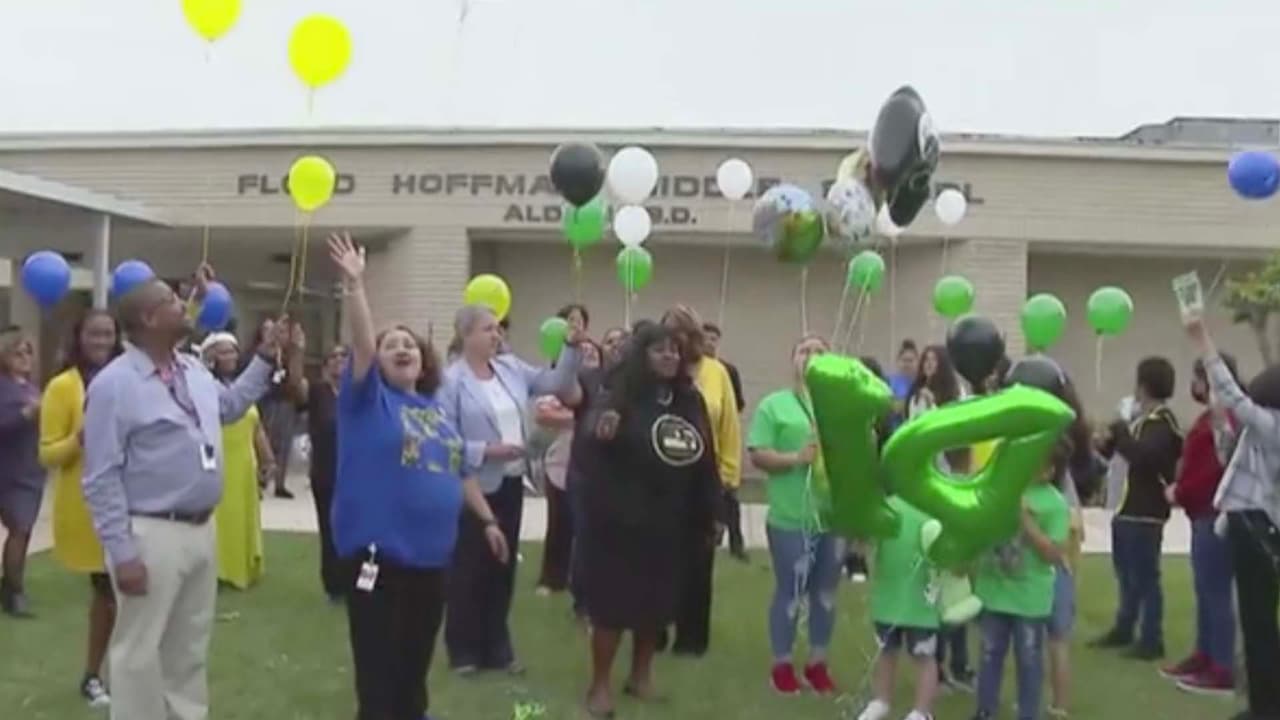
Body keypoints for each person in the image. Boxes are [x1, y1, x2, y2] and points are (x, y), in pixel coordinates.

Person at [82, 267, 283, 720]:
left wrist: (265, 357)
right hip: (150, 532)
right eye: (174, 302)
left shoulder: (191, 369)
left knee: (188, 646)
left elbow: (228, 407)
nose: (187, 306)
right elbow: (101, 476)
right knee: (139, 649)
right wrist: (122, 552)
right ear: (149, 319)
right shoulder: (115, 385)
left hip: (200, 527)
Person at [326, 232, 509, 720]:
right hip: (379, 561)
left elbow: (460, 472)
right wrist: (355, 285)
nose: (401, 348)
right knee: (379, 673)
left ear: (425, 359)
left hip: (431, 563)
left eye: (409, 344)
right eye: (391, 345)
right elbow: (362, 347)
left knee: (413, 669)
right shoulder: (367, 402)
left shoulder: (437, 413)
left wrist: (488, 521)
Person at [575, 320, 721, 717]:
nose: (670, 356)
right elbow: (589, 451)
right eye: (660, 350)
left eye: (674, 350)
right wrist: (601, 433)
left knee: (654, 606)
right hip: (620, 522)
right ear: (642, 355)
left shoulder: (688, 400)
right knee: (612, 607)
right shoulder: (619, 396)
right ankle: (599, 686)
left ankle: (641, 677)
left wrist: (712, 511)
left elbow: (705, 458)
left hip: (670, 521)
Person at [441, 303, 583, 675]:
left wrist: (570, 347)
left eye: (498, 328)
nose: (496, 335)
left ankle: (497, 646)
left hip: (511, 479)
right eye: (487, 329)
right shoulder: (451, 381)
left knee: (501, 567)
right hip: (474, 484)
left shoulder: (509, 369)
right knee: (469, 566)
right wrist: (487, 451)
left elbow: (554, 383)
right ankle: (463, 649)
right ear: (466, 335)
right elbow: (444, 441)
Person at [1185, 315, 1280, 720]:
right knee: (1257, 622)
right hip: (1252, 524)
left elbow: (1232, 395)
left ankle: (1266, 707)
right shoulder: (1262, 431)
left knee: (1259, 623)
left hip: (1256, 526)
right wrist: (1219, 418)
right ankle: (1262, 703)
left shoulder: (1272, 425)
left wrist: (1202, 340)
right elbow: (1230, 454)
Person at [748, 333, 842, 695]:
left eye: (820, 351)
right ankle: (782, 665)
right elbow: (758, 454)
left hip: (832, 519)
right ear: (793, 361)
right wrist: (795, 458)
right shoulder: (775, 406)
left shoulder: (840, 408)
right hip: (791, 519)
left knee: (825, 594)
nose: (812, 356)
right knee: (790, 593)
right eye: (805, 350)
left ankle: (818, 663)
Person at [39, 309, 123, 705]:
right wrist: (80, 439)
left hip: (131, 501)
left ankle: (126, 676)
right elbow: (47, 453)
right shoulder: (62, 387)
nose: (102, 341)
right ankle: (92, 676)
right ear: (79, 337)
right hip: (88, 508)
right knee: (107, 595)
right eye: (94, 333)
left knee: (133, 599)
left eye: (108, 333)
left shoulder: (126, 379)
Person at [659, 305, 742, 655]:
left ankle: (691, 640)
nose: (675, 342)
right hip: (662, 481)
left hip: (704, 481)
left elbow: (729, 427)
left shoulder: (716, 372)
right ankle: (654, 631)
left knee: (697, 561)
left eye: (681, 334)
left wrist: (728, 478)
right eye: (669, 335)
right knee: (659, 561)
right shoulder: (660, 372)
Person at [971, 440, 1072, 720]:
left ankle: (1028, 714)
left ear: (1049, 470)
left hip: (1030, 599)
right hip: (993, 592)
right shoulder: (1002, 489)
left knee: (1028, 659)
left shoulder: (1055, 504)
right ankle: (985, 711)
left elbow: (1054, 554)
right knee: (989, 654)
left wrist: (1027, 523)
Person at [1092, 356, 1181, 660]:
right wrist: (1106, 443)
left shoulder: (1162, 423)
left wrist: (1120, 433)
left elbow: (1144, 457)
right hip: (1125, 506)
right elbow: (1124, 454)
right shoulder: (1141, 421)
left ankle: (1152, 638)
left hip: (1146, 511)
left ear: (1143, 386)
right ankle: (1125, 626)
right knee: (1126, 575)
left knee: (1145, 577)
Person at [1160, 354, 1239, 696]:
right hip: (1200, 515)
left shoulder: (1225, 421)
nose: (1193, 386)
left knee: (1216, 592)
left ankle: (1222, 666)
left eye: (1197, 378)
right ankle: (1204, 654)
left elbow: (1212, 471)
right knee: (1205, 590)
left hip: (1213, 514)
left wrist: (1180, 491)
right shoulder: (1210, 418)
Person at [906, 344, 974, 690]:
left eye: (934, 361)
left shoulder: (956, 397)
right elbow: (916, 438)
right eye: (925, 361)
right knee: (934, 582)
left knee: (957, 583)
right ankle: (939, 663)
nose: (928, 366)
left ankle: (959, 663)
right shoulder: (919, 398)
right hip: (927, 493)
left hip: (952, 488)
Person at [200, 333, 276, 590]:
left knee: (241, 517)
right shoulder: (204, 387)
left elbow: (256, 426)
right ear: (210, 357)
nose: (230, 356)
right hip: (218, 462)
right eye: (223, 352)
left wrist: (268, 459)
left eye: (233, 351)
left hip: (243, 463)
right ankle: (219, 570)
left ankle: (241, 567)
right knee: (221, 518)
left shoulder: (241, 388)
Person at [857, 496, 941, 720]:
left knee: (923, 656)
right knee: (885, 652)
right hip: (888, 599)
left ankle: (922, 711)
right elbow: (865, 543)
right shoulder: (887, 506)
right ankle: (881, 700)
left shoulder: (934, 507)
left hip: (921, 603)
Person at [567, 327, 630, 620]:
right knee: (586, 537)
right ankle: (582, 601)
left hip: (620, 474)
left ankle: (611, 597)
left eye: (622, 342)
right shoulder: (588, 379)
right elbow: (568, 395)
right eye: (610, 341)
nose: (616, 346)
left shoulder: (634, 385)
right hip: (586, 472)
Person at [534, 339, 602, 597]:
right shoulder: (561, 389)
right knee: (559, 525)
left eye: (593, 352)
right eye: (583, 352)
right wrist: (583, 418)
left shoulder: (604, 389)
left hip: (594, 468)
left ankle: (584, 581)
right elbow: (543, 415)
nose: (588, 355)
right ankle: (551, 578)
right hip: (560, 465)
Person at [0, 328, 44, 618]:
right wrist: (26, 414)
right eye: (18, 352)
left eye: (28, 352)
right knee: (19, 530)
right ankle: (14, 593)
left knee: (22, 531)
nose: (25, 357)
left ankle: (11, 587)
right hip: (9, 470)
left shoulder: (31, 387)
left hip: (29, 469)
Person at [304, 343, 349, 602]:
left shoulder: (358, 392)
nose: (338, 360)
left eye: (344, 355)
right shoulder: (318, 392)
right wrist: (297, 350)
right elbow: (295, 386)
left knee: (353, 528)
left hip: (354, 472)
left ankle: (354, 580)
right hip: (325, 472)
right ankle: (334, 585)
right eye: (333, 356)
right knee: (330, 529)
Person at [703, 321, 748, 562]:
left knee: (730, 499)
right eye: (705, 338)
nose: (709, 343)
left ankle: (736, 544)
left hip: (723, 440)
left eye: (713, 339)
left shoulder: (727, 370)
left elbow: (737, 404)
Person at [253, 317, 298, 499]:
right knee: (264, 441)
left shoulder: (287, 355)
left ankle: (280, 483)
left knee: (284, 443)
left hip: (284, 400)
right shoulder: (259, 353)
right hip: (265, 401)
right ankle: (260, 479)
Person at [887, 339, 919, 428]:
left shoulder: (921, 382)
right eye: (904, 360)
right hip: (895, 429)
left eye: (910, 361)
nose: (907, 364)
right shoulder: (889, 381)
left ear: (917, 362)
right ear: (898, 361)